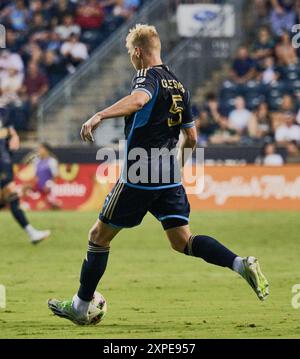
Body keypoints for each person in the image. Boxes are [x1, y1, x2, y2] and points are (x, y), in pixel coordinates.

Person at [48, 24, 269, 325]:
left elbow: (139, 100)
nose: (131, 59)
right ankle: (239, 263)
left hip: (140, 173)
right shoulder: (180, 85)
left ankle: (79, 305)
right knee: (182, 240)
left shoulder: (146, 75)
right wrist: (179, 168)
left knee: (98, 237)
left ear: (138, 52)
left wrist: (98, 115)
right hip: (169, 175)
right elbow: (191, 138)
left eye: (130, 54)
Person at [0, 111, 50, 244]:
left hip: (5, 161)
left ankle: (32, 233)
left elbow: (13, 135)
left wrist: (14, 137)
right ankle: (31, 232)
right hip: (3, 163)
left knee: (10, 197)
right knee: (12, 195)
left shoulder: (4, 113)